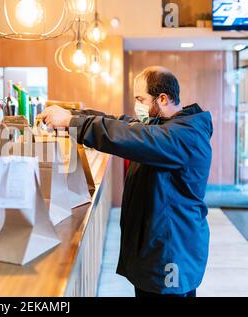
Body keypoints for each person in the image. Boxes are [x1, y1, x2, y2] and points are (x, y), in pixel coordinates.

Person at [41, 66, 213, 297]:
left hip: (172, 253)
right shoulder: (161, 126)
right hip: (155, 249)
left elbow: (132, 136)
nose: (137, 104)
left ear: (162, 98)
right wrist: (72, 115)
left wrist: (74, 123)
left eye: (141, 98)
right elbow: (121, 123)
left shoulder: (184, 136)